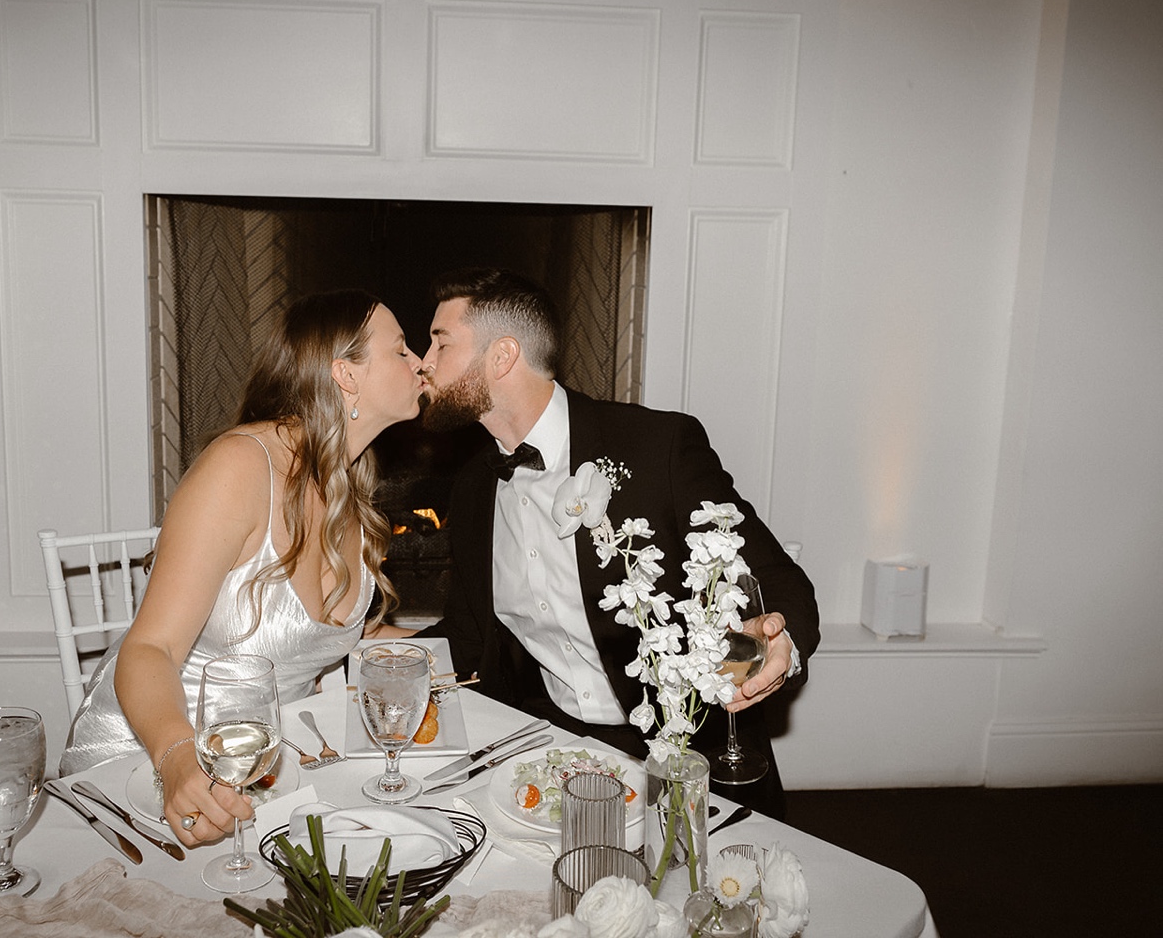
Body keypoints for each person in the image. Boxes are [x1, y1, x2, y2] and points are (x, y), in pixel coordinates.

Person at [417, 269, 818, 817]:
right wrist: (372, 656)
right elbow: (467, 637)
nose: (424, 361)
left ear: (502, 355)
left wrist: (780, 642)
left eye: (441, 343)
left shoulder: (658, 448)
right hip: (549, 758)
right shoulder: (472, 491)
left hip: (682, 754)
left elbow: (778, 582)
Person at [96, 290, 423, 847]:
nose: (420, 362)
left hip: (273, 773)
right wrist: (177, 763)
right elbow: (149, 649)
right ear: (345, 375)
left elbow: (325, 638)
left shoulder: (352, 490)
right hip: (150, 763)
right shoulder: (241, 468)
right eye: (400, 350)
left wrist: (470, 650)